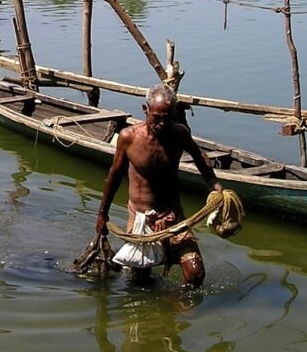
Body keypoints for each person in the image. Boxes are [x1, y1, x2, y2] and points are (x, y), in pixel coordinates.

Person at [95, 83, 223, 287]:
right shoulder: (129, 137)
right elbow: (114, 175)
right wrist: (103, 214)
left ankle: (173, 310)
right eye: (157, 117)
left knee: (195, 275)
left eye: (168, 117)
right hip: (140, 218)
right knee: (140, 281)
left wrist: (213, 183)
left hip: (173, 215)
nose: (162, 124)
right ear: (145, 110)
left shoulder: (179, 134)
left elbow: (199, 156)